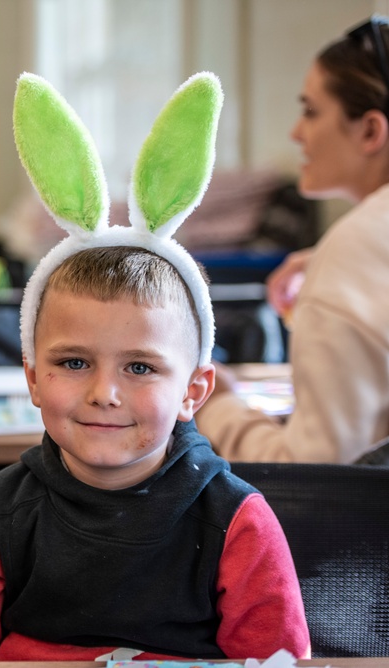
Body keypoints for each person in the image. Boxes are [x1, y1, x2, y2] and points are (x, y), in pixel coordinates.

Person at [0, 72, 309, 661]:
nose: (105, 392)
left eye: (142, 368)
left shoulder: (237, 523)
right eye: (73, 362)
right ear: (31, 377)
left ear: (193, 391)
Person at [198, 15, 389, 463]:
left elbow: (315, 478)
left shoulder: (355, 252)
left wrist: (219, 404)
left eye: (310, 111)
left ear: (370, 131)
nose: (296, 133)